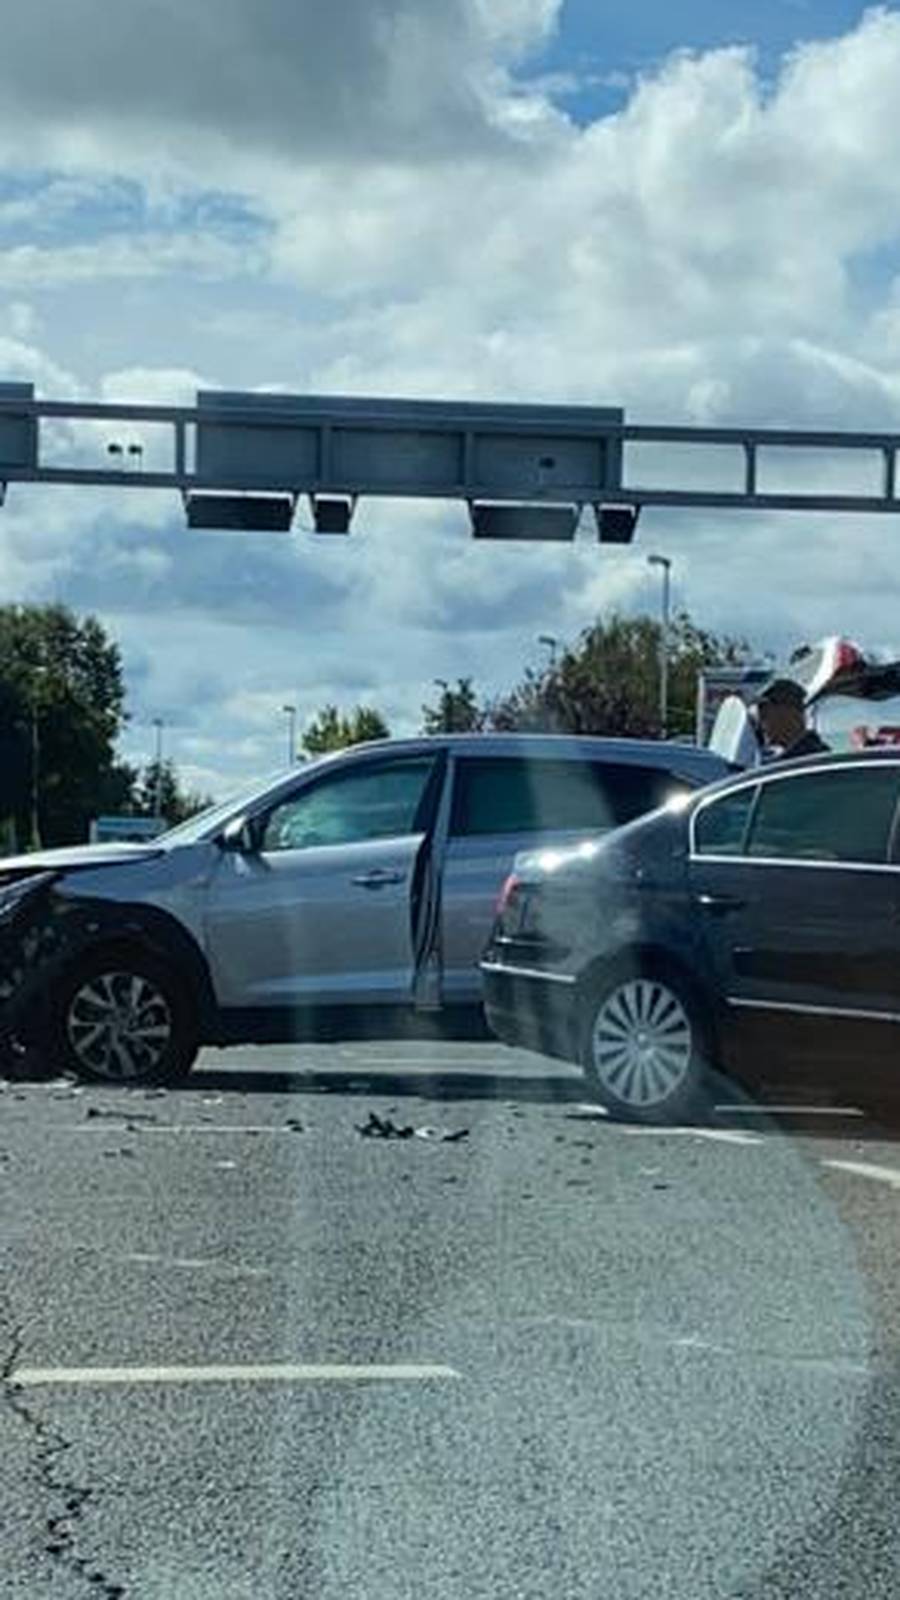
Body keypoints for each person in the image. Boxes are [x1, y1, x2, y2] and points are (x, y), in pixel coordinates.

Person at [754, 678, 831, 761]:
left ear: (790, 713)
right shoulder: (809, 753)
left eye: (764, 713)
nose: (762, 722)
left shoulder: (807, 758)